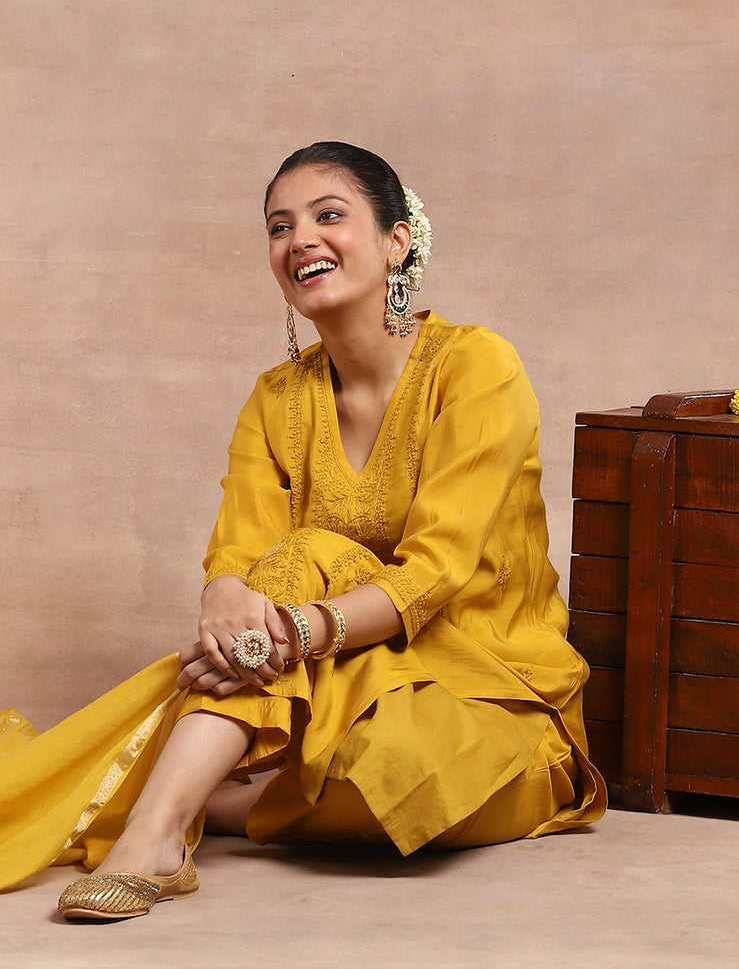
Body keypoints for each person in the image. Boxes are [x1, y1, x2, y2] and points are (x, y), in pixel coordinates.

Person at [0, 143, 605, 921]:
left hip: (493, 694)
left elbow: (437, 570)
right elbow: (239, 553)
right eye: (279, 227)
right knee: (295, 560)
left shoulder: (477, 367)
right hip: (338, 679)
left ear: (397, 240)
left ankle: (203, 803)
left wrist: (289, 632)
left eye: (328, 216)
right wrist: (226, 601)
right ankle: (152, 836)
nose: (300, 240)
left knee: (402, 784)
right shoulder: (276, 398)